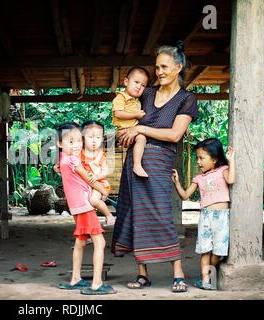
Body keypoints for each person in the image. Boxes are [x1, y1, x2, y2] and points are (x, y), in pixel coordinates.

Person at [112, 41, 199, 293]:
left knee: (162, 215)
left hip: (160, 164)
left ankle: (178, 273)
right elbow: (123, 119)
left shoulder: (186, 99)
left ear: (178, 67)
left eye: (164, 67)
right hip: (134, 162)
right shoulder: (147, 93)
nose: (159, 72)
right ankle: (142, 274)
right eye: (157, 67)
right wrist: (126, 133)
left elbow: (174, 135)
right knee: (137, 216)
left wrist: (140, 129)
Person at [56, 122, 117, 295]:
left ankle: (75, 278)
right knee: (100, 241)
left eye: (78, 141)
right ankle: (97, 284)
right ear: (60, 144)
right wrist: (102, 191)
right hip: (84, 205)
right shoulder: (74, 160)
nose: (76, 146)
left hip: (76, 206)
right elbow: (89, 179)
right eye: (70, 142)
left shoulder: (63, 159)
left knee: (80, 242)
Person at [172, 138, 235, 290]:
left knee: (218, 253)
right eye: (197, 158)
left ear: (214, 159)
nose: (198, 162)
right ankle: (206, 280)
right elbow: (185, 195)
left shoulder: (223, 170)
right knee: (205, 250)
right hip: (206, 216)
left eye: (202, 158)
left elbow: (231, 180)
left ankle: (208, 274)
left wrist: (231, 161)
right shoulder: (198, 178)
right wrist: (177, 183)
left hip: (221, 217)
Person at [112, 67, 150, 177]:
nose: (139, 87)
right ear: (126, 82)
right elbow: (118, 113)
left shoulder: (137, 100)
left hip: (132, 130)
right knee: (142, 138)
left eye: (143, 85)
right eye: (136, 82)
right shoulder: (120, 98)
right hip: (123, 130)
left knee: (142, 139)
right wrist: (136, 115)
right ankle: (137, 165)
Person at [80, 120, 116, 227]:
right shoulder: (78, 153)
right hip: (84, 185)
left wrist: (96, 176)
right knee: (85, 206)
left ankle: (109, 216)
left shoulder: (100, 155)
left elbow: (105, 170)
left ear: (102, 138)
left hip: (99, 184)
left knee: (94, 200)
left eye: (98, 138)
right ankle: (89, 228)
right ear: (82, 137)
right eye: (90, 137)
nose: (94, 141)